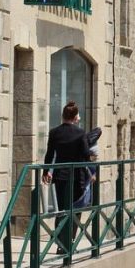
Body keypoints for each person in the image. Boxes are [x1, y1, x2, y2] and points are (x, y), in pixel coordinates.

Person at [43, 101, 91, 257]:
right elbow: (85, 154)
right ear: (75, 116)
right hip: (77, 176)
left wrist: (45, 171)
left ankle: (59, 242)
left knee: (62, 210)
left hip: (60, 175)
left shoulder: (54, 132)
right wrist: (92, 172)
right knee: (75, 209)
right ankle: (69, 242)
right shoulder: (80, 133)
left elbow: (50, 154)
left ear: (63, 116)